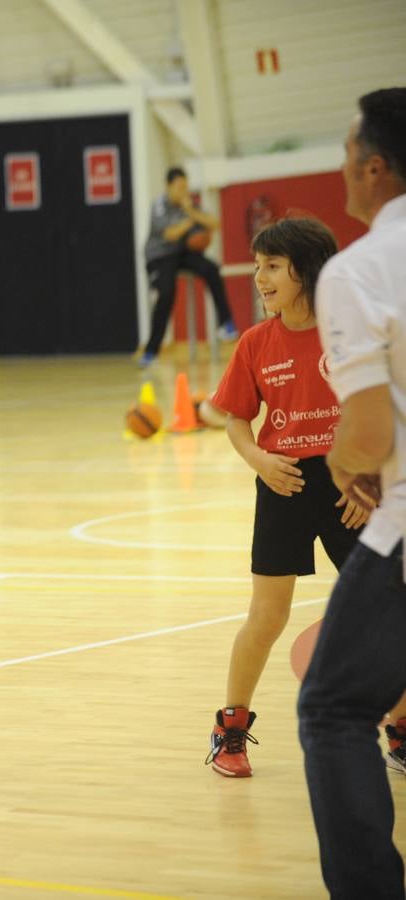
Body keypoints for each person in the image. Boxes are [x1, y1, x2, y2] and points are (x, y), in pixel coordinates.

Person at [203, 216, 377, 778]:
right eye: (256, 266)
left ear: (305, 270)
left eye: (272, 266)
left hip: (349, 485)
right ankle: (229, 729)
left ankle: (399, 727)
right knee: (267, 615)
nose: (259, 277)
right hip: (282, 484)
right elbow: (234, 421)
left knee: (383, 611)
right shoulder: (255, 343)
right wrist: (257, 459)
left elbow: (381, 408)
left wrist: (369, 475)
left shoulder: (348, 332)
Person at [299, 87, 406, 899]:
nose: (339, 168)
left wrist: (345, 465)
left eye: (345, 153)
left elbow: (368, 434)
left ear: (375, 169)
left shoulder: (360, 270)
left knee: (333, 708)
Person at [139, 167, 239, 368]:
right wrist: (191, 218)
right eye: (179, 187)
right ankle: (151, 351)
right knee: (167, 292)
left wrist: (191, 211)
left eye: (185, 186)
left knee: (211, 268)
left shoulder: (189, 205)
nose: (183, 191)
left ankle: (225, 323)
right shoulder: (159, 206)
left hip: (181, 253)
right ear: (168, 187)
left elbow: (215, 223)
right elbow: (171, 234)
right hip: (160, 256)